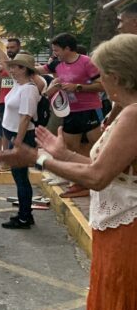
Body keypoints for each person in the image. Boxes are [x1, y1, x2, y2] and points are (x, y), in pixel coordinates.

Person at [0, 34, 137, 310]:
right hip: (118, 225)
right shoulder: (128, 113)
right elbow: (107, 169)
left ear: (115, 75)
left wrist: (38, 158)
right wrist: (64, 154)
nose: (99, 81)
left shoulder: (134, 115)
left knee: (120, 305)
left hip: (127, 231)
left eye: (102, 74)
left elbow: (98, 177)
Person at [36, 33, 104, 198]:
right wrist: (11, 66)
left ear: (67, 48)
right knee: (69, 147)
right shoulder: (57, 64)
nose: (54, 53)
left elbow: (102, 85)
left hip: (90, 109)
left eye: (57, 50)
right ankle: (77, 180)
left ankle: (94, 179)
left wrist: (78, 87)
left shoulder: (86, 62)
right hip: (69, 111)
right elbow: (37, 70)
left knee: (96, 146)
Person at [0, 53, 42, 229]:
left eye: (16, 67)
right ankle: (25, 214)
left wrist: (18, 145)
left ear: (24, 69)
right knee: (19, 176)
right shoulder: (19, 83)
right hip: (15, 136)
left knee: (21, 177)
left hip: (21, 137)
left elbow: (25, 118)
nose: (12, 69)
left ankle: (24, 217)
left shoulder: (29, 89)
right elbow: (4, 62)